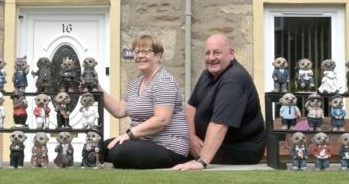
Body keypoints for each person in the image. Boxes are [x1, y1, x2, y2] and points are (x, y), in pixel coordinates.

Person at [173, 34, 266, 170]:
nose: (211, 58)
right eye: (207, 53)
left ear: (231, 54)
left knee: (174, 149)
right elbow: (190, 107)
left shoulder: (233, 80)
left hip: (240, 149)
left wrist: (201, 161)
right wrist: (192, 137)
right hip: (210, 144)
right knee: (172, 144)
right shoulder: (208, 74)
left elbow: (219, 124)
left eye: (217, 52)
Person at [102, 34, 189, 169]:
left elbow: (161, 120)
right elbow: (120, 110)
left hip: (168, 146)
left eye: (146, 52)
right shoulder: (135, 83)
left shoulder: (164, 81)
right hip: (141, 142)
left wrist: (128, 135)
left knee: (119, 153)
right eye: (137, 52)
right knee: (98, 148)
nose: (140, 56)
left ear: (158, 56)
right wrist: (96, 88)